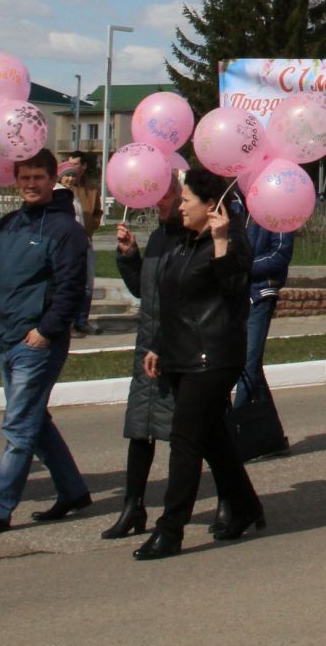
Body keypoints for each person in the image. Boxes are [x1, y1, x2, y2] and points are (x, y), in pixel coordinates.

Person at [132, 167, 266, 559]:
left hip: (213, 358)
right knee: (213, 440)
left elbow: (234, 295)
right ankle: (245, 505)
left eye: (187, 200)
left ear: (211, 206)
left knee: (185, 440)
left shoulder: (233, 241)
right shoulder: (185, 241)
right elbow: (173, 301)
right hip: (180, 354)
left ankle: (170, 530)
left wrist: (222, 240)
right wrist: (157, 345)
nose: (180, 205)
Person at [0, 150, 93, 538]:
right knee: (35, 421)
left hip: (37, 342)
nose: (31, 184)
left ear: (51, 178)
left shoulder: (65, 230)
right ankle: (73, 490)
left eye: (38, 177)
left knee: (18, 427)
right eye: (24, 178)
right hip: (7, 336)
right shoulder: (11, 223)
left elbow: (71, 287)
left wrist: (47, 330)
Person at [104, 175, 182, 540]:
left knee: (194, 433)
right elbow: (143, 290)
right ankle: (132, 506)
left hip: (177, 350)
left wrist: (165, 345)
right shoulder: (158, 237)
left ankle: (229, 499)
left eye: (165, 194)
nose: (158, 201)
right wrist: (129, 255)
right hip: (147, 347)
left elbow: (186, 302)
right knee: (140, 430)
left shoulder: (189, 238)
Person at [231, 194, 295, 458]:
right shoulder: (232, 206)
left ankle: (234, 435)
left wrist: (240, 266)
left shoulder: (279, 207)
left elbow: (279, 256)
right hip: (233, 294)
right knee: (250, 367)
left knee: (247, 363)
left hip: (260, 294)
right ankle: (273, 438)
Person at [57, 156, 101, 336]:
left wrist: (89, 229)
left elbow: (89, 215)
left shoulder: (75, 193)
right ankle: (66, 323)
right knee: (68, 282)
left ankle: (81, 320)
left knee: (87, 283)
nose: (70, 179)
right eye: (67, 175)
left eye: (73, 175)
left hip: (84, 242)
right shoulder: (57, 193)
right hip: (67, 246)